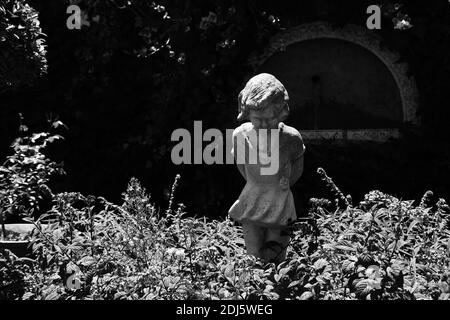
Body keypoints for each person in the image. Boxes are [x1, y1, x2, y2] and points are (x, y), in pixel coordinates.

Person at [228, 73, 305, 264]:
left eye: (269, 119)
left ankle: (276, 284)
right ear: (246, 114)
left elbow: (297, 164)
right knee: (252, 250)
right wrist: (255, 182)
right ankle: (256, 285)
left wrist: (286, 182)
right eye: (257, 119)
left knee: (276, 249)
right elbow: (242, 165)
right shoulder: (241, 136)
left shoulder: (290, 138)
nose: (263, 124)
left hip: (279, 197)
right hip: (252, 195)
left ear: (281, 113)